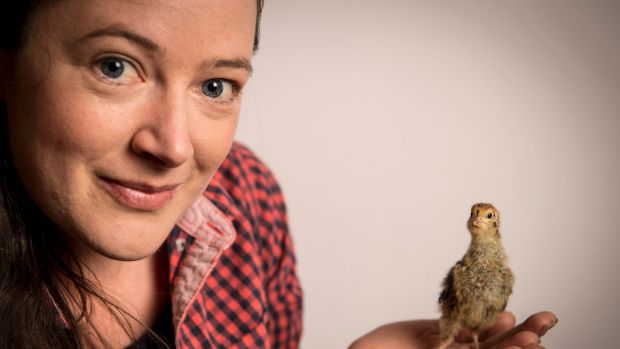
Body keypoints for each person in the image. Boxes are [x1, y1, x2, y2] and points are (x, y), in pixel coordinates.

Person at [0, 1, 555, 348]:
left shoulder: (248, 192)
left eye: (216, 86)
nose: (172, 147)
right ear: (7, 65)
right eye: (114, 66)